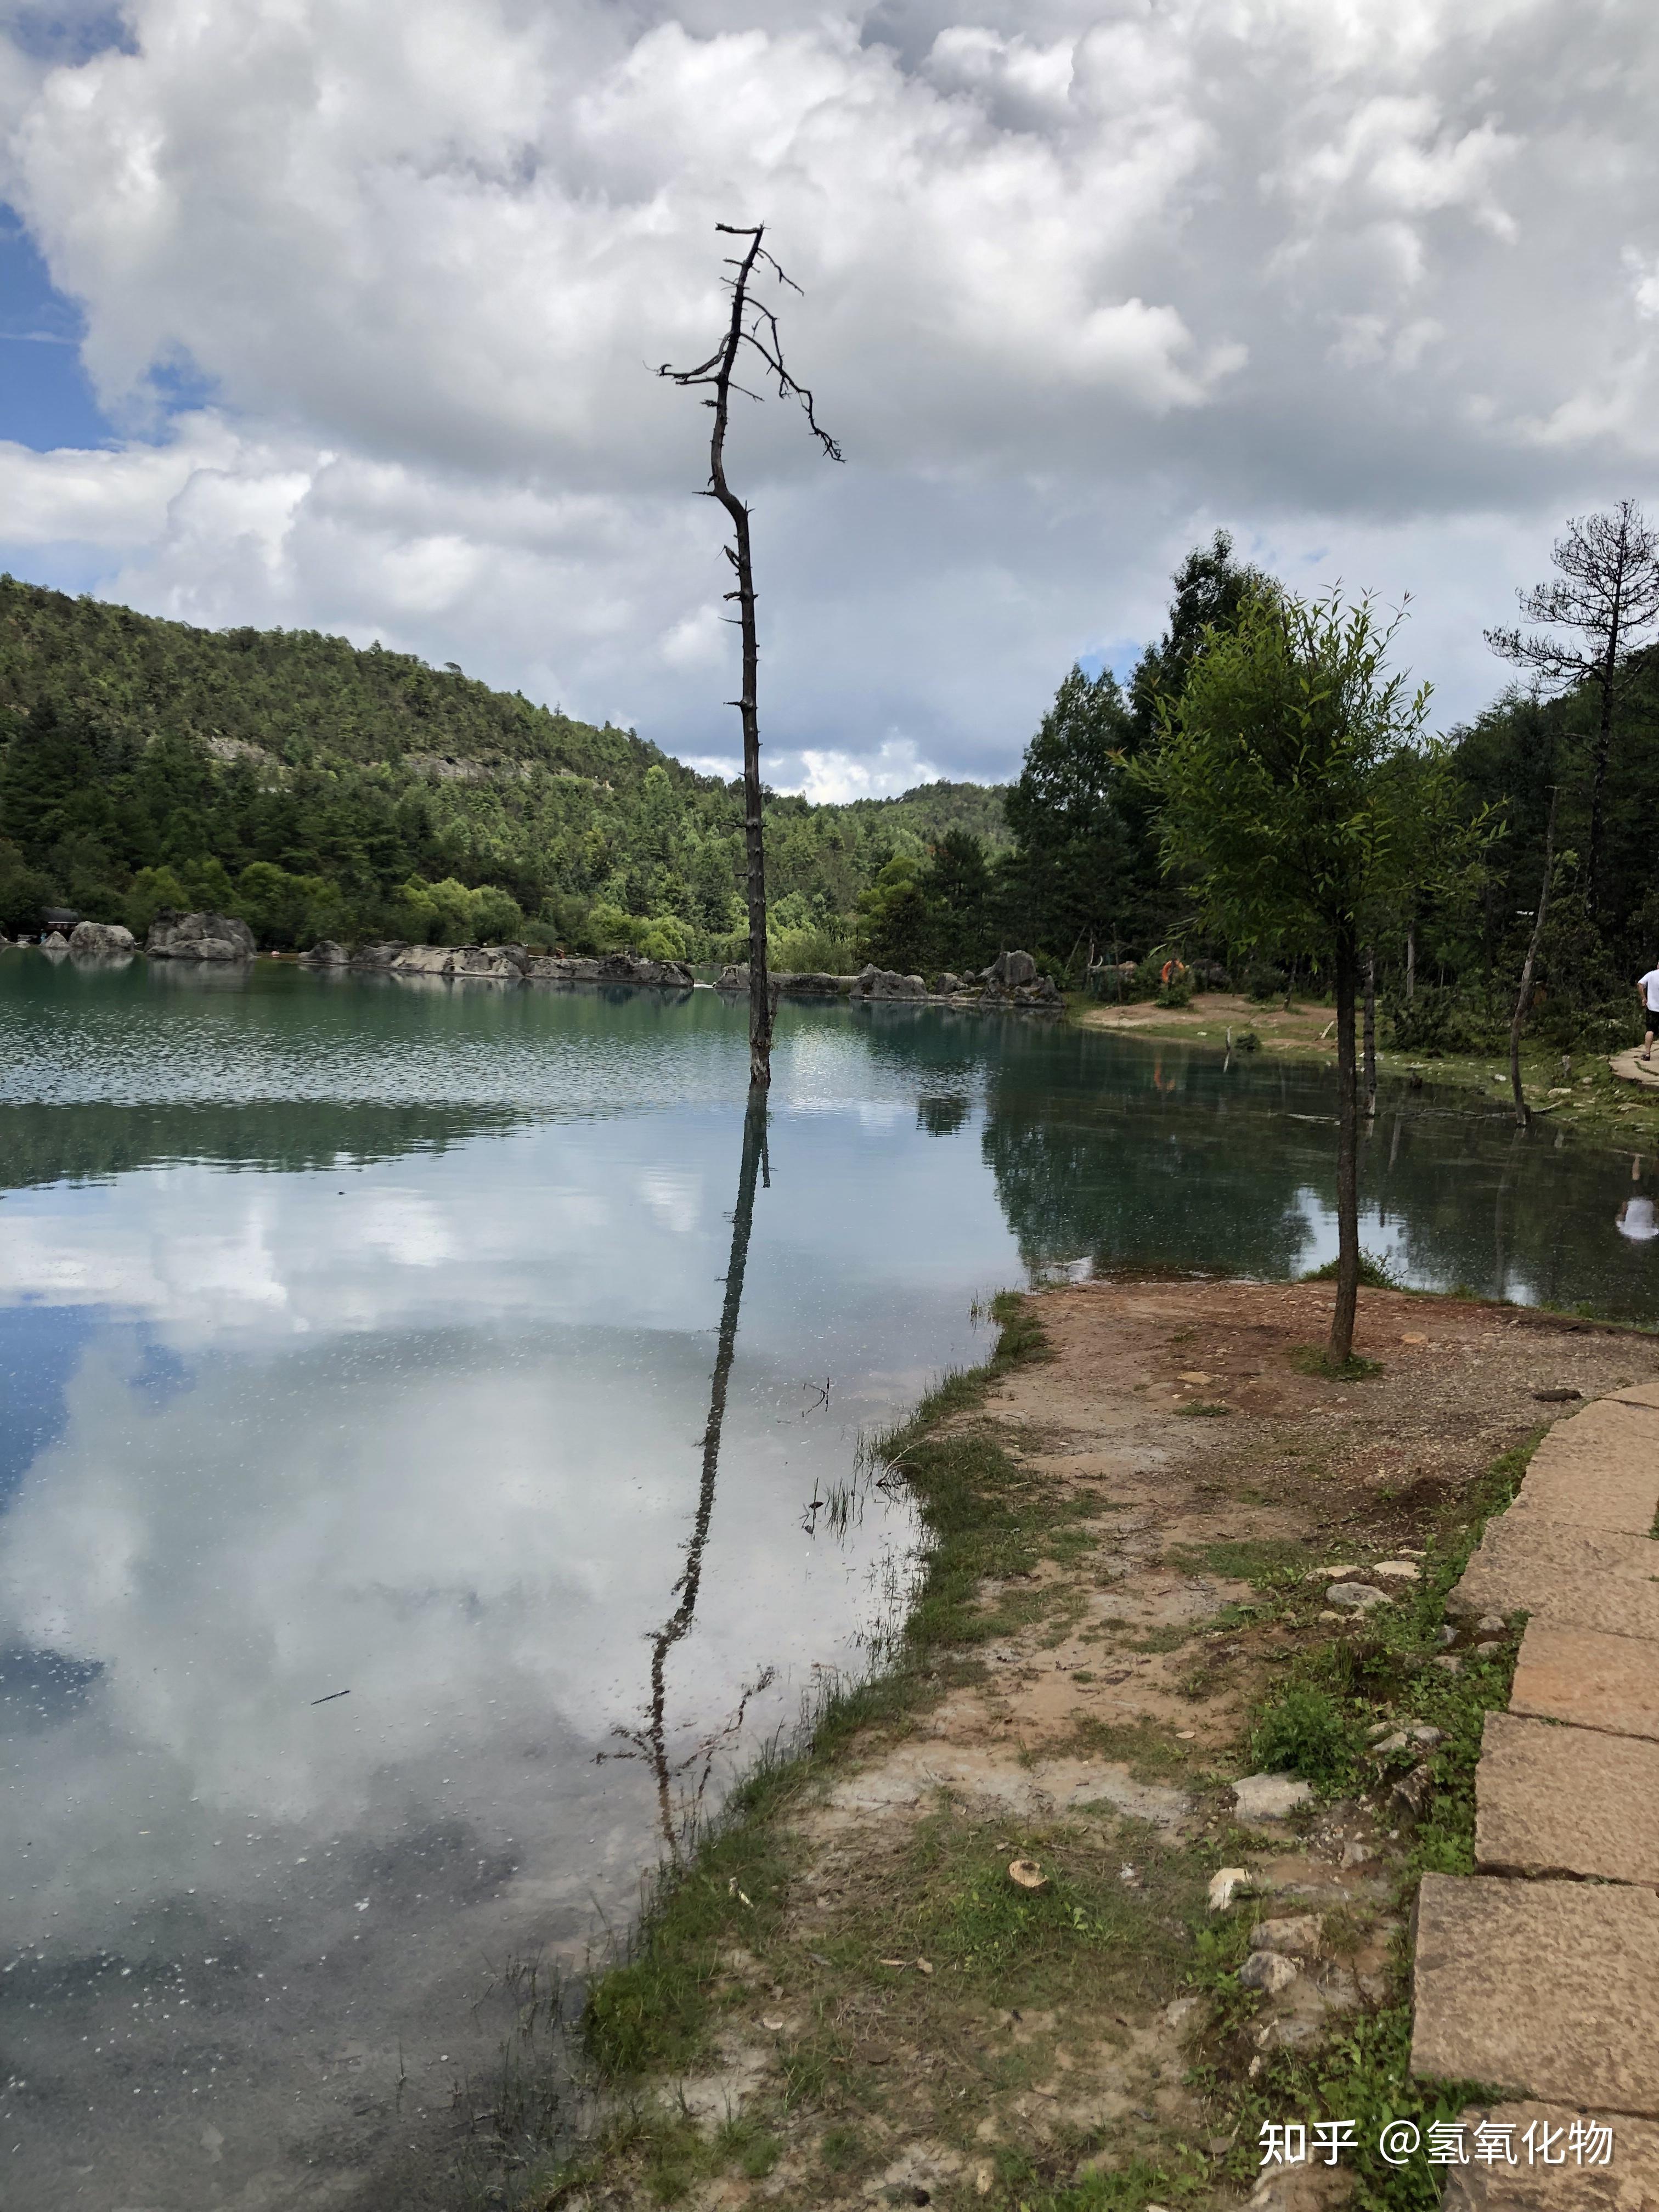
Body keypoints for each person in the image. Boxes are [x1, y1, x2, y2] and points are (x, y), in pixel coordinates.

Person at [1639, 963, 1659, 1061]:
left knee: (1650, 1030)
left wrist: (1644, 998)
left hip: (1653, 1008)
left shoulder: (1651, 975)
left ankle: (1647, 1054)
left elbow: (1640, 984)